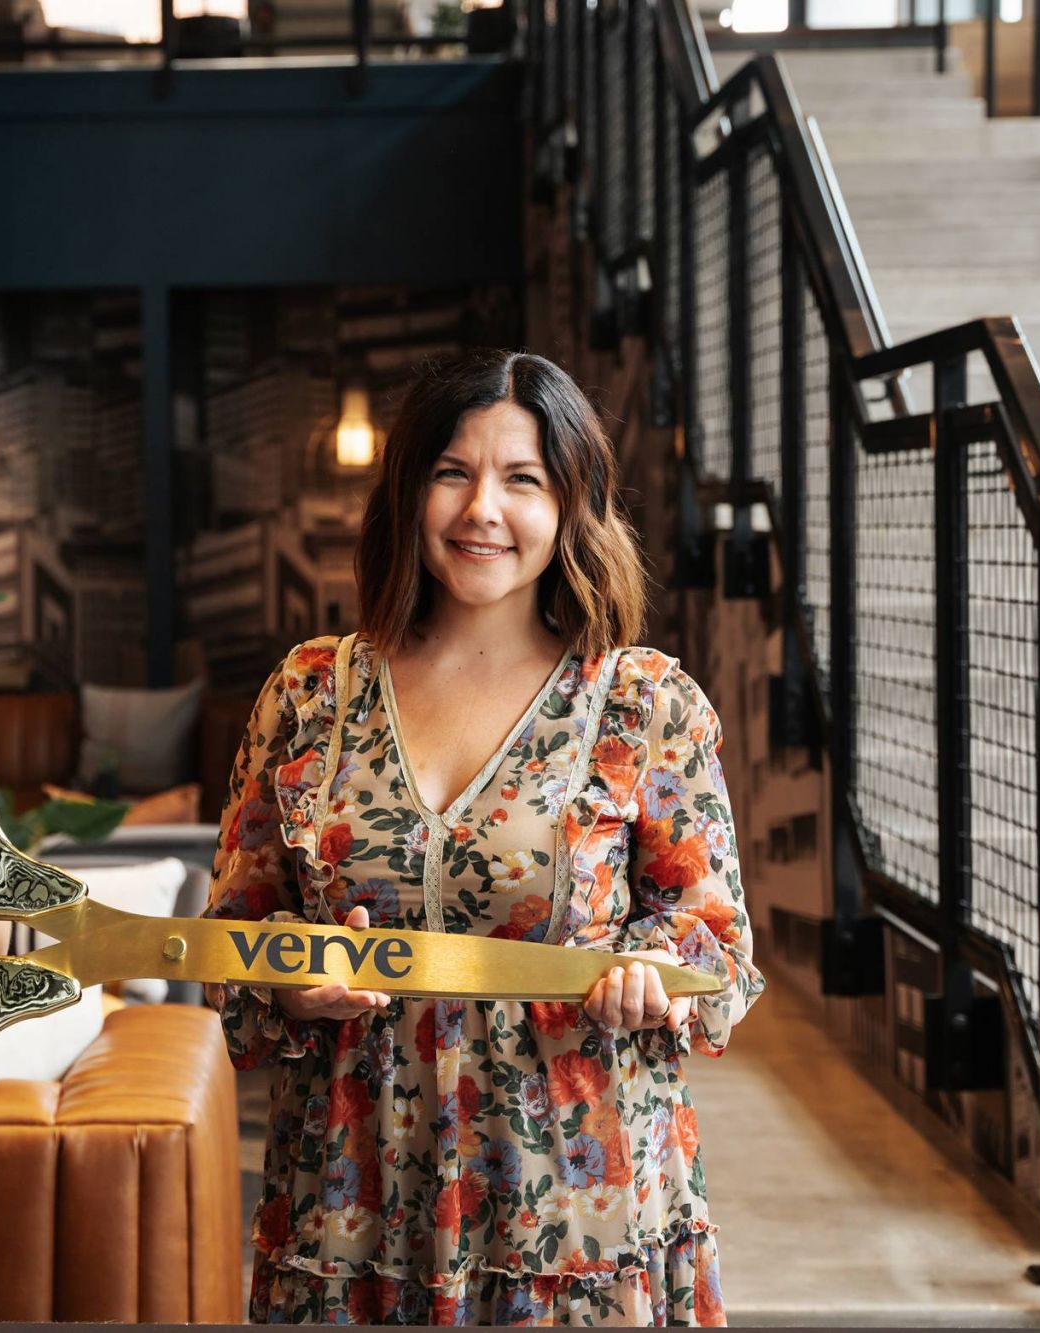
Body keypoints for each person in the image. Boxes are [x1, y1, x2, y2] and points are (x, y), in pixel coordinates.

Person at [205, 350, 764, 1326]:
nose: (480, 512)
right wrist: (291, 981)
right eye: (450, 472)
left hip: (571, 1201)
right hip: (352, 1193)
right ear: (407, 490)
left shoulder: (640, 703)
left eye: (521, 479)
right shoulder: (306, 692)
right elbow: (233, 932)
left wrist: (649, 968)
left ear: (570, 503)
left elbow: (713, 942)